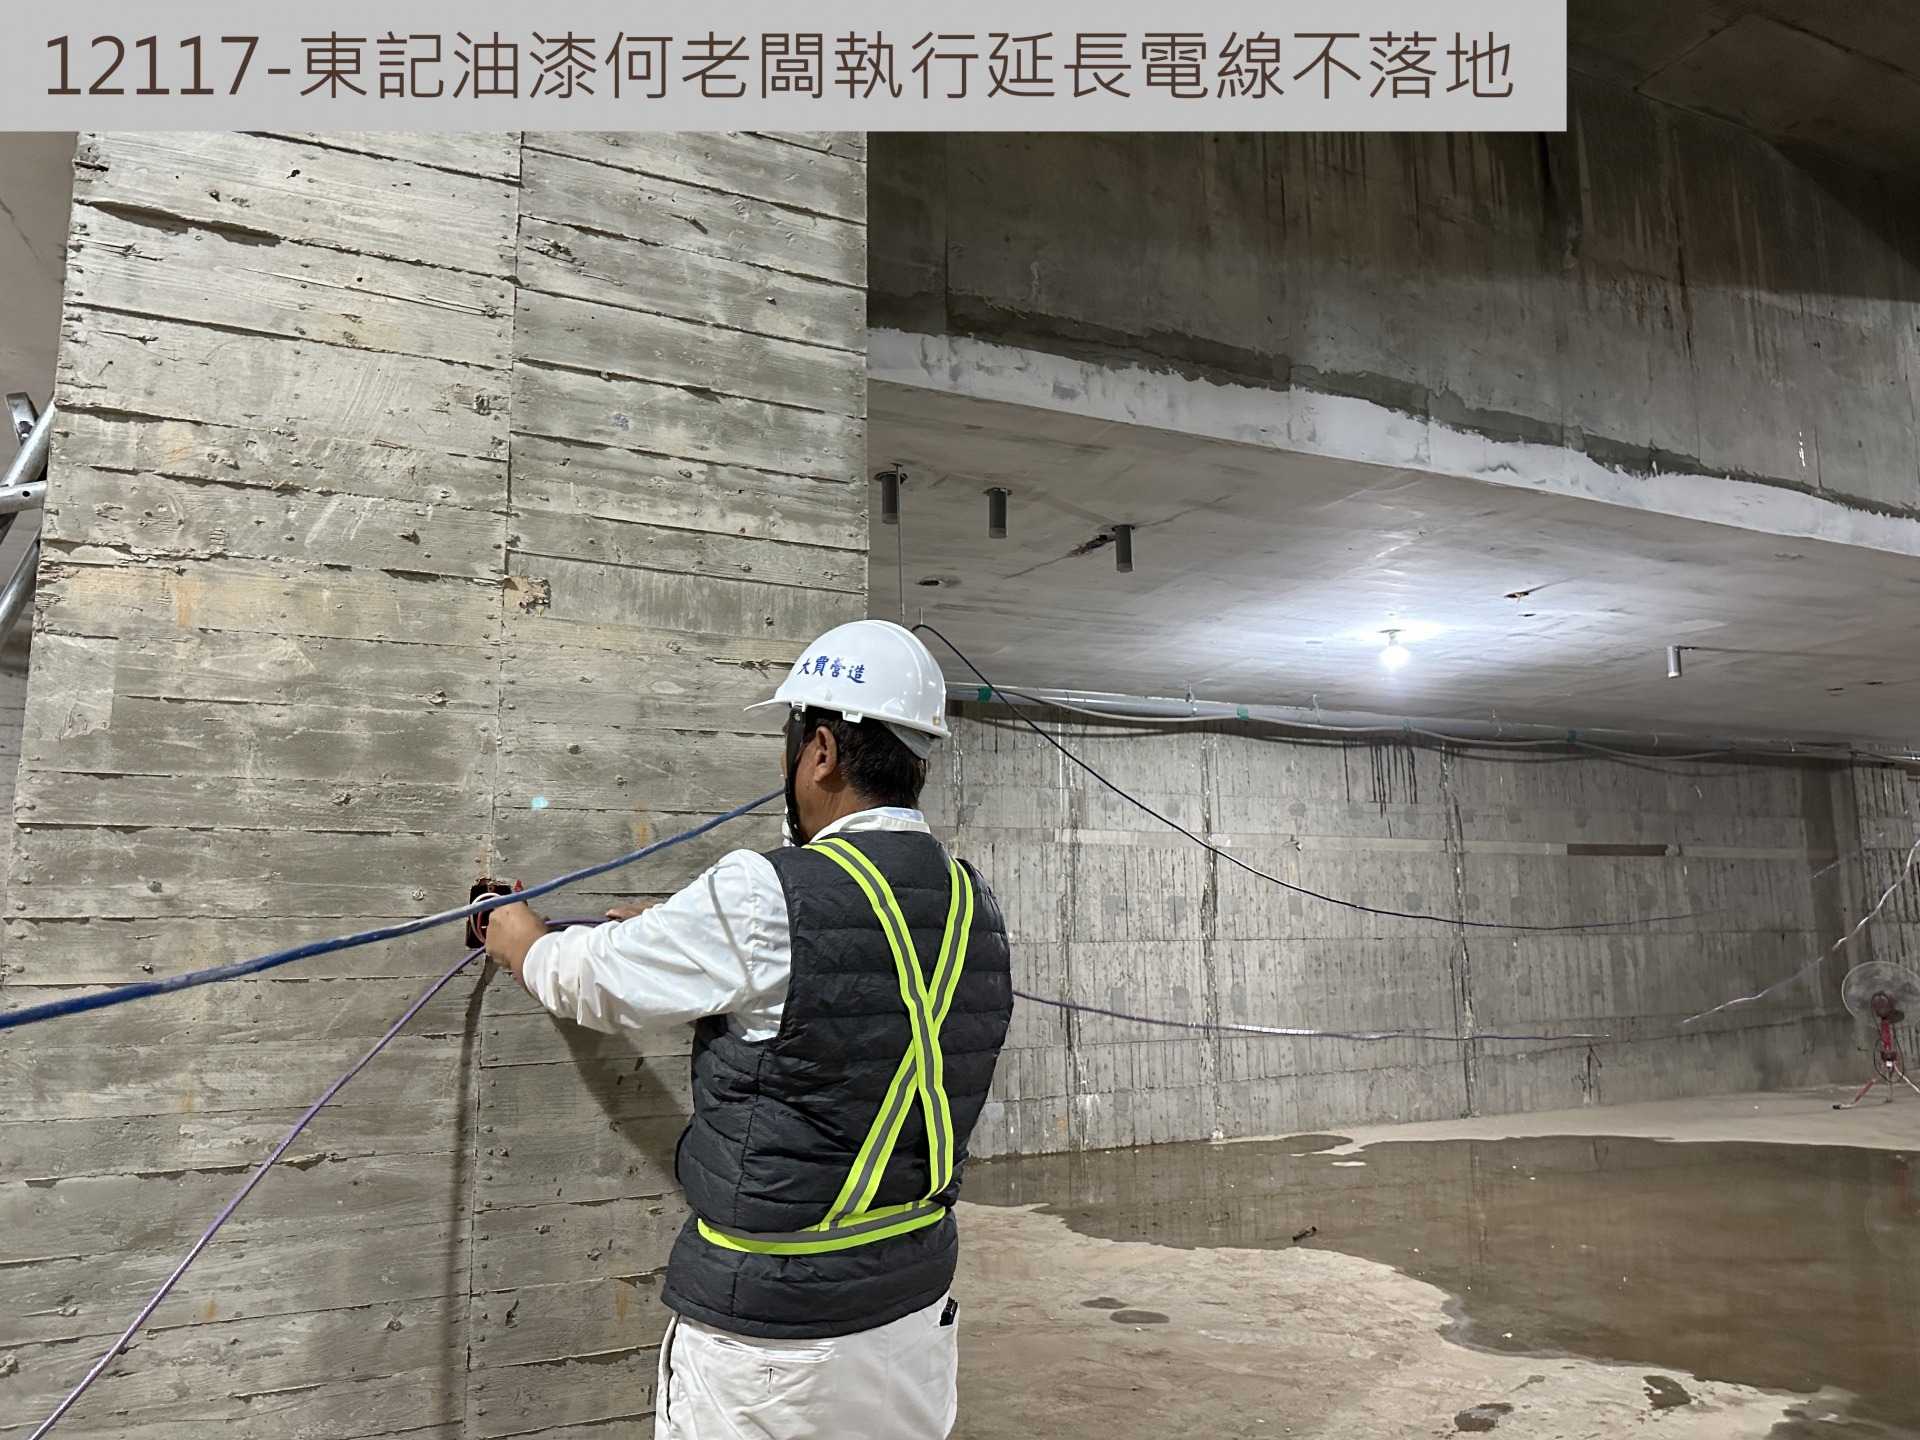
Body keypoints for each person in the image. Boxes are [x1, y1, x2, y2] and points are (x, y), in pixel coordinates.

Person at [483, 619, 1013, 1440]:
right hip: (912, 1321)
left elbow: (593, 980)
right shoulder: (977, 900)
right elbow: (857, 978)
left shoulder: (767, 891)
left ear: (821, 751)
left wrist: (517, 936)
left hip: (778, 1345)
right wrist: (684, 930)